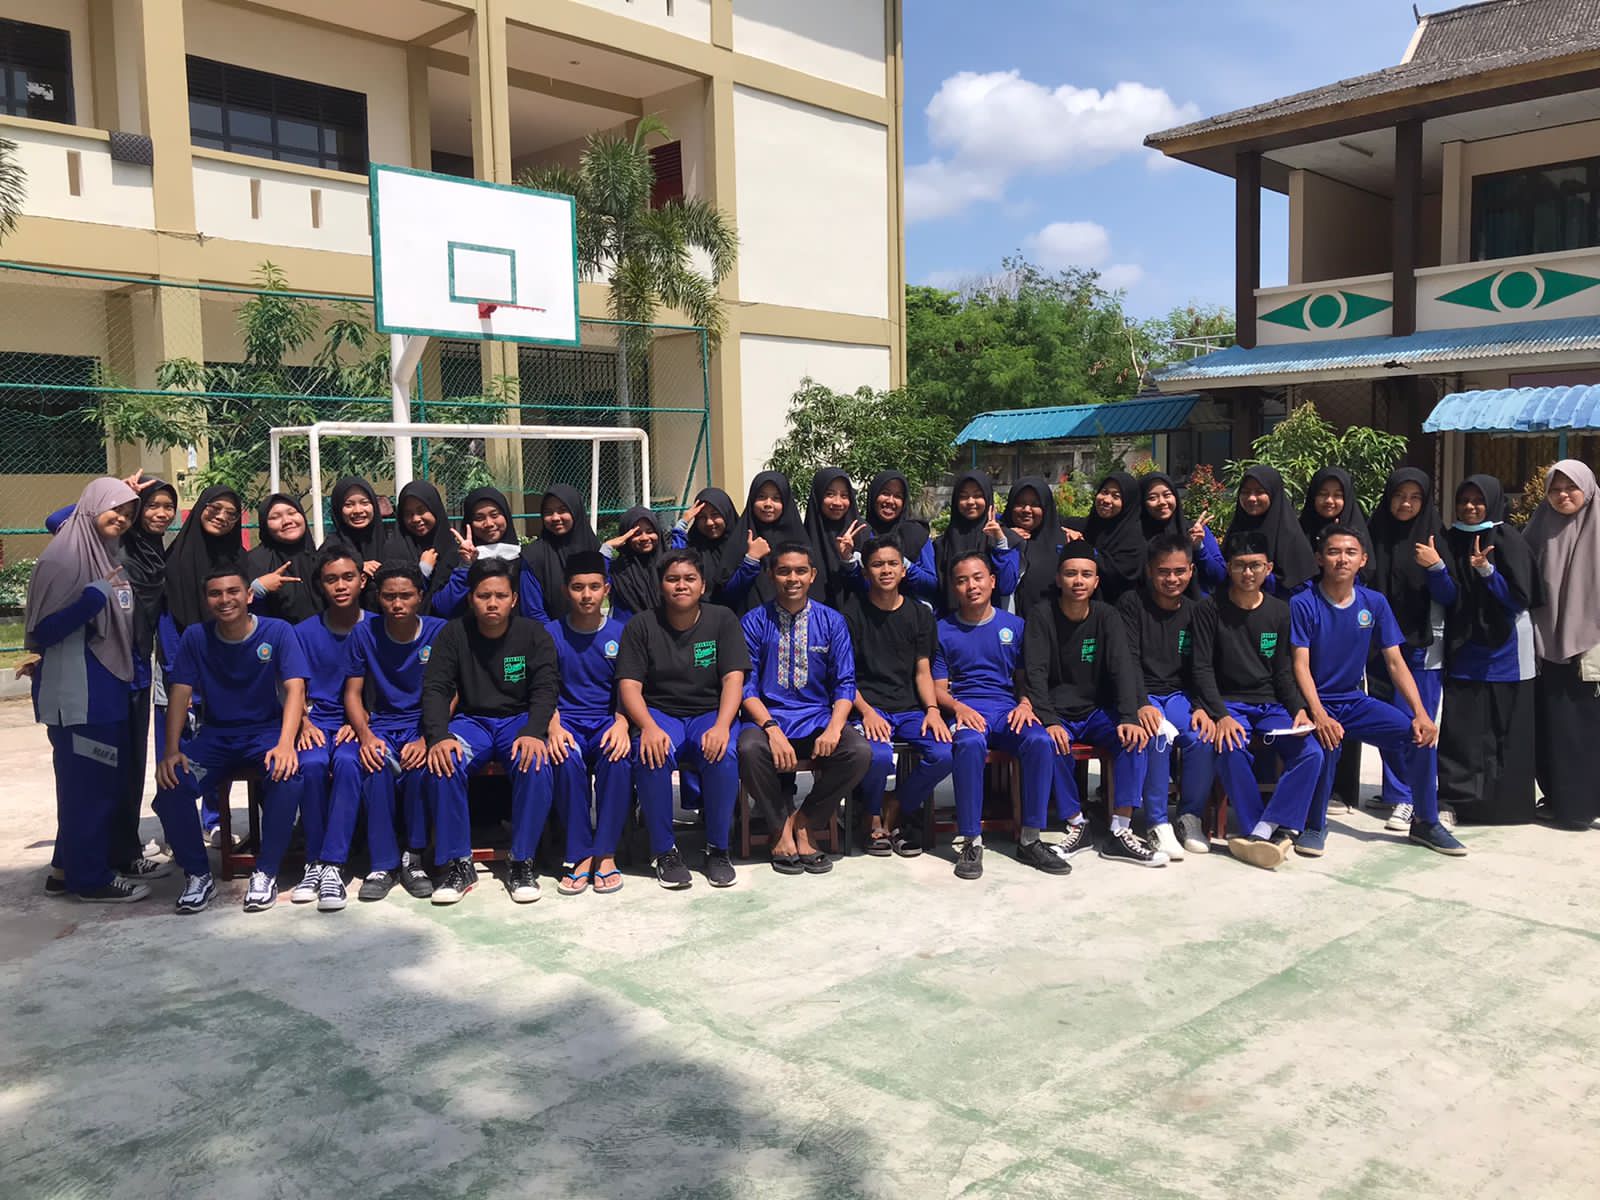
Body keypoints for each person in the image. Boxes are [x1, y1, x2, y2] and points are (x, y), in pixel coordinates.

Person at [1290, 526, 1465, 858]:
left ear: (1363, 560)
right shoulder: (1303, 602)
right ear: (1320, 559)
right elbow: (1300, 665)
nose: (1342, 559)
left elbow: (1396, 663)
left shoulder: (1374, 603)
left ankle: (1425, 822)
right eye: (1333, 552)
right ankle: (1313, 825)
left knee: (1421, 737)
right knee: (1325, 746)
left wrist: (1421, 714)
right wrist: (1319, 714)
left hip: (1354, 701)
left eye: (1350, 552)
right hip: (1315, 704)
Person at [25, 477, 151, 903]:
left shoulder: (97, 553)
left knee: (92, 784)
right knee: (88, 789)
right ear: (92, 508)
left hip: (103, 689)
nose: (123, 519)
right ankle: (91, 880)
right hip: (78, 696)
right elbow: (42, 631)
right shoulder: (63, 560)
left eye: (130, 513)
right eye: (116, 509)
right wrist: (92, 601)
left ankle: (65, 869)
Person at [154, 565, 309, 912]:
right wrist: (171, 750)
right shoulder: (196, 636)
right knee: (171, 784)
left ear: (249, 595)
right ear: (207, 600)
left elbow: (295, 687)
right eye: (215, 594)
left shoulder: (277, 631)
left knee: (288, 777)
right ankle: (198, 874)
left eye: (233, 591)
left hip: (265, 733)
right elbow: (179, 692)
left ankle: (266, 872)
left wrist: (286, 743)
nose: (225, 600)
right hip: (216, 738)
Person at [421, 558, 558, 905]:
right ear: (471, 598)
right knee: (443, 763)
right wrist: (438, 736)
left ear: (514, 599)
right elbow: (436, 688)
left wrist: (534, 731)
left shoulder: (533, 635)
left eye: (500, 595)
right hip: (472, 722)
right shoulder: (453, 634)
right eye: (484, 596)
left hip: (518, 722)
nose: (492, 603)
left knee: (536, 762)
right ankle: (459, 863)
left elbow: (545, 689)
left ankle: (522, 861)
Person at [1184, 530, 1323, 870]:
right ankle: (1256, 827)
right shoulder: (1209, 609)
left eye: (1255, 566)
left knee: (1312, 752)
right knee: (1229, 747)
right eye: (1240, 565)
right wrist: (1220, 715)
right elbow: (1201, 668)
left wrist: (1299, 710)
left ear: (1268, 568)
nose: (1248, 573)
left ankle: (1265, 826)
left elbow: (1283, 672)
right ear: (1228, 567)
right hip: (1229, 703)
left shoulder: (1279, 611)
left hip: (1270, 705)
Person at [616, 549, 749, 889]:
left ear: (703, 585)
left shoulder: (722, 619)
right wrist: (647, 726)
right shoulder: (642, 625)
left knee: (723, 754)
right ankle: (664, 852)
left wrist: (722, 726)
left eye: (690, 578)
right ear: (661, 585)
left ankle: (717, 848)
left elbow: (733, 678)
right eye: (672, 579)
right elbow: (629, 685)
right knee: (651, 753)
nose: (681, 585)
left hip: (709, 712)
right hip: (661, 712)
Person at [1023, 544, 1162, 867]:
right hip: (1056, 713)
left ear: (1096, 581)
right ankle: (1077, 824)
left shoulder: (1107, 616)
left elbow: (1122, 668)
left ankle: (1120, 830)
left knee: (1135, 738)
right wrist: (1048, 720)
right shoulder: (1042, 615)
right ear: (1059, 578)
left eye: (1086, 574)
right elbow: (1035, 674)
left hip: (1096, 711)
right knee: (1049, 743)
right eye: (1071, 574)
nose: (1078, 581)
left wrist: (1128, 716)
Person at [738, 544, 872, 874]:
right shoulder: (754, 621)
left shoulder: (832, 621)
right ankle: (780, 829)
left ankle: (805, 821)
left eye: (800, 571)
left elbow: (845, 683)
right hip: (768, 718)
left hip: (817, 718)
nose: (792, 578)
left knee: (858, 752)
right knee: (748, 749)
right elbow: (745, 686)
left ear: (812, 575)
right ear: (771, 575)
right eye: (784, 571)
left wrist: (834, 728)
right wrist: (771, 729)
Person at [932, 551, 1061, 880]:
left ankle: (1030, 838)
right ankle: (971, 840)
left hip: (1007, 709)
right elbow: (937, 688)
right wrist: (958, 708)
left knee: (1039, 740)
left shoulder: (1015, 626)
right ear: (953, 587)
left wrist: (1026, 704)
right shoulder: (942, 630)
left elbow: (1027, 679)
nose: (971, 586)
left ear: (992, 581)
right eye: (962, 580)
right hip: (965, 710)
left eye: (978, 578)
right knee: (969, 744)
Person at [335, 564, 446, 902]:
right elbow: (352, 693)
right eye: (389, 597)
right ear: (379, 598)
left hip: (422, 724)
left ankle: (414, 858)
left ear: (420, 596)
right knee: (375, 765)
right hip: (381, 724)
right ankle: (382, 864)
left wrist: (428, 738)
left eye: (405, 596)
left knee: (422, 768)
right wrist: (366, 736)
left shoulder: (438, 631)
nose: (397, 604)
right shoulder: (364, 633)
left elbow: (451, 691)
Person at [1438, 475, 1541, 824]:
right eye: (1463, 500)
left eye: (1478, 500)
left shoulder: (1508, 540)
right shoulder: (1449, 540)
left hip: (1505, 651)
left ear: (1493, 502)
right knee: (1461, 732)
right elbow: (1447, 594)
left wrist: (1486, 571)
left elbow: (1518, 599)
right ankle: (1455, 802)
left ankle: (1507, 807)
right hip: (1464, 649)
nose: (1469, 507)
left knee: (1505, 730)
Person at [844, 534, 953, 856]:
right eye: (878, 564)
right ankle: (872, 817)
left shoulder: (920, 615)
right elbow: (844, 677)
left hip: (909, 709)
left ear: (904, 570)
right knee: (877, 756)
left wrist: (932, 709)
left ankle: (897, 805)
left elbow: (923, 671)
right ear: (866, 571)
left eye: (893, 563)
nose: (886, 570)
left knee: (944, 753)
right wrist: (867, 712)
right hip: (867, 707)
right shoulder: (851, 614)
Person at [1366, 469, 1456, 827]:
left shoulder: (1434, 537)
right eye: (1399, 495)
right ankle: (1396, 792)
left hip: (1421, 645)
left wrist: (1436, 567)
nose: (1406, 503)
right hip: (1378, 646)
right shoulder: (1374, 533)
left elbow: (1450, 596)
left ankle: (1412, 797)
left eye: (1415, 497)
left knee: (1416, 720)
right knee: (1386, 719)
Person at [1116, 534, 1215, 862]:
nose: (1172, 579)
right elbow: (1127, 659)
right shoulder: (1132, 604)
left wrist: (1202, 707)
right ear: (1149, 571)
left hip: (1179, 695)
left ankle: (1189, 816)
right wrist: (1140, 703)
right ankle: (1157, 823)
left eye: (1179, 571)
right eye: (1163, 571)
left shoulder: (1197, 610)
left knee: (1202, 736)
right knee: (1158, 734)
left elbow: (1202, 665)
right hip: (1143, 693)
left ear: (1190, 571)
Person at [288, 545, 376, 910]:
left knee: (348, 762)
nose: (340, 586)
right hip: (317, 721)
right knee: (310, 765)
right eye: (331, 579)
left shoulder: (379, 626)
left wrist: (362, 720)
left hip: (362, 723)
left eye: (348, 577)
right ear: (320, 586)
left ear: (362, 580)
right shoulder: (303, 632)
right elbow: (290, 686)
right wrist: (303, 721)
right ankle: (314, 861)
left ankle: (334, 865)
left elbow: (389, 688)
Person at [159, 483, 245, 844]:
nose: (222, 517)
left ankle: (215, 820)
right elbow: (167, 625)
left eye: (231, 513)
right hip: (183, 674)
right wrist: (183, 678)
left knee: (218, 749)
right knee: (177, 753)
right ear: (200, 509)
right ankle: (179, 832)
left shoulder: (239, 560)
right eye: (215, 508)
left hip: (228, 674)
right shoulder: (175, 560)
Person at [545, 551, 632, 896]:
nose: (586, 595)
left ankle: (606, 853)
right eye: (578, 587)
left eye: (594, 587)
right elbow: (543, 688)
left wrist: (622, 724)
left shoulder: (621, 633)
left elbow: (628, 687)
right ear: (566, 590)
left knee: (618, 759)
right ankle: (580, 853)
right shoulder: (550, 634)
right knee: (564, 760)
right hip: (565, 722)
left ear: (606, 589)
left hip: (607, 722)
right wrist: (553, 725)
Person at [1525, 460, 1600, 829]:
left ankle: (1585, 806)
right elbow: (1520, 573)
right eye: (1555, 489)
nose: (1562, 495)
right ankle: (1560, 801)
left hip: (1592, 647)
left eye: (1571, 487)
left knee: (1586, 729)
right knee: (1553, 726)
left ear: (1587, 488)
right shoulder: (1540, 525)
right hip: (1545, 642)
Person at [1295, 468, 1373, 814]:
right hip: (1304, 627)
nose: (1329, 500)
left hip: (1345, 631)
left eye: (1337, 494)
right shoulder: (1297, 532)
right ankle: (1308, 790)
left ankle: (1341, 790)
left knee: (1348, 705)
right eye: (1322, 493)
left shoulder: (1357, 534)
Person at [431, 486, 546, 620]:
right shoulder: (457, 558)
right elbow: (442, 608)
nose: (489, 523)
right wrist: (465, 567)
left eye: (495, 515)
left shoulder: (524, 558)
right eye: (479, 518)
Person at [925, 471, 1019, 613]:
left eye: (977, 495)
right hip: (951, 621)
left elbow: (1007, 586)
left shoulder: (1005, 539)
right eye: (963, 496)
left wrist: (1000, 542)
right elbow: (937, 590)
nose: (970, 502)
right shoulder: (942, 543)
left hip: (993, 620)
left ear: (988, 499)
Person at [1228, 466, 1316, 597]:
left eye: (1259, 492)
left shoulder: (1290, 535)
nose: (1251, 498)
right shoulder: (1236, 529)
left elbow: (1301, 585)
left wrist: (1262, 576)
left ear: (1273, 494)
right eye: (1245, 492)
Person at [727, 470, 807, 612]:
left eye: (776, 498)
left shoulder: (799, 539)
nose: (768, 504)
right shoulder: (740, 539)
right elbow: (728, 594)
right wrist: (751, 560)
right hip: (749, 620)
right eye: (761, 497)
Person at [522, 484, 602, 620]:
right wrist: (555, 633)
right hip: (548, 632)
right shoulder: (533, 556)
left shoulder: (593, 548)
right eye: (548, 512)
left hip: (593, 629)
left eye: (562, 510)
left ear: (575, 511)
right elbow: (533, 611)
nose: (555, 517)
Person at [671, 487, 759, 608]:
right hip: (700, 614)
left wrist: (751, 561)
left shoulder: (746, 545)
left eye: (715, 514)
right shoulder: (694, 547)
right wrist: (682, 525)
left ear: (726, 513)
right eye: (702, 517)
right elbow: (678, 561)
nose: (709, 522)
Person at [1139, 473, 1225, 593]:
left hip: (1195, 603)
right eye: (1152, 498)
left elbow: (1219, 576)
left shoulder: (1195, 530)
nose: (1162, 502)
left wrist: (1198, 548)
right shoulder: (1135, 536)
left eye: (1167, 495)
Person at [246, 493, 320, 624]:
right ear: (264, 525)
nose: (287, 521)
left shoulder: (320, 558)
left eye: (292, 513)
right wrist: (258, 588)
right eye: (275, 517)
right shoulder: (254, 562)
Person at [385, 481, 457, 607]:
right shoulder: (394, 550)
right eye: (408, 514)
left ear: (435, 509)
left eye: (421, 511)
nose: (415, 519)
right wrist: (423, 570)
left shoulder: (453, 550)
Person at [1079, 472, 1147, 604]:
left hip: (1118, 610)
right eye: (1104, 492)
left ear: (1127, 503)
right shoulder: (1089, 526)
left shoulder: (1134, 539)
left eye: (1116, 496)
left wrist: (1084, 549)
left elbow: (1118, 575)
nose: (1106, 500)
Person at [1002, 476, 1066, 615]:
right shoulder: (996, 538)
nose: (1026, 509)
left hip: (1047, 624)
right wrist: (1005, 536)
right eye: (1020, 503)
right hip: (1006, 625)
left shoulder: (1062, 543)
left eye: (1035, 504)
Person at [862, 469, 933, 595]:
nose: (890, 500)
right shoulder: (861, 533)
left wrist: (902, 564)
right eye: (885, 493)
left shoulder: (916, 534)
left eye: (898, 496)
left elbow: (932, 584)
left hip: (911, 605)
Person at [802, 467, 862, 609]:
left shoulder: (862, 533)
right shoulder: (802, 537)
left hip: (856, 617)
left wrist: (848, 558)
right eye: (830, 494)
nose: (837, 502)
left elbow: (869, 584)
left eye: (844, 495)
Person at [328, 476, 389, 605]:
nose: (358, 510)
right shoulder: (331, 547)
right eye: (349, 505)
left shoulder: (391, 540)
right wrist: (357, 566)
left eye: (364, 503)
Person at [603, 506, 665, 625]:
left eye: (650, 531)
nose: (644, 538)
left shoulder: (668, 565)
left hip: (663, 632)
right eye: (637, 533)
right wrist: (608, 547)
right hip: (627, 632)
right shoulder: (617, 570)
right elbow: (597, 579)